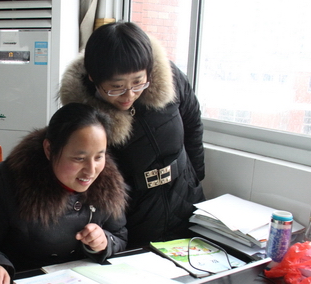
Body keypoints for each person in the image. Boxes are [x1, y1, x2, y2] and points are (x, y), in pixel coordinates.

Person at [59, 21, 205, 248]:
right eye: (116, 87)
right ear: (93, 78)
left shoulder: (170, 79)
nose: (129, 95)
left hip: (186, 197)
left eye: (138, 83)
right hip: (133, 213)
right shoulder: (84, 116)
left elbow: (192, 121)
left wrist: (196, 176)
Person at [0, 103, 128, 284]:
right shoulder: (7, 181)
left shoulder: (108, 182)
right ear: (49, 149)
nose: (91, 170)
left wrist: (103, 242)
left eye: (99, 157)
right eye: (79, 158)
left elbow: (119, 236)